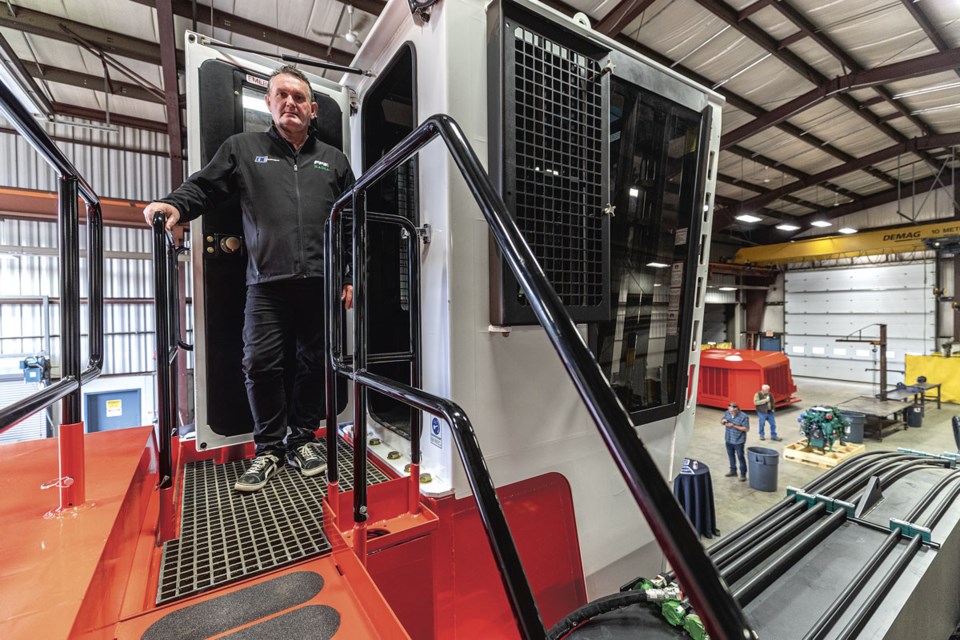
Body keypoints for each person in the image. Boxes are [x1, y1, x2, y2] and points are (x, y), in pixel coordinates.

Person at [143, 65, 355, 493]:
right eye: (282, 96)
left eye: (299, 98)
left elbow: (351, 221)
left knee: (314, 365)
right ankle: (270, 449)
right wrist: (174, 206)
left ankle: (302, 441)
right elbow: (203, 187)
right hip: (266, 284)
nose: (290, 103)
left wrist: (349, 275)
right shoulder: (243, 148)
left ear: (313, 110)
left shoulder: (334, 161)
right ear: (269, 103)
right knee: (260, 363)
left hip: (320, 282)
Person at [721, 402, 749, 482]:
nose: (731, 412)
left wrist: (734, 425)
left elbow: (746, 429)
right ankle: (733, 471)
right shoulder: (727, 413)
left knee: (740, 457)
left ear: (737, 410)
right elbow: (721, 421)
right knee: (731, 456)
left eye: (732, 411)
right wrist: (723, 421)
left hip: (738, 441)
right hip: (728, 439)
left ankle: (743, 474)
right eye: (730, 411)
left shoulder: (744, 416)